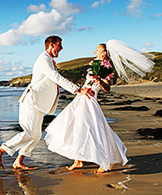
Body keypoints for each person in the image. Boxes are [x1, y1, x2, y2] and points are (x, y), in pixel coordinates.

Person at [44, 39, 154, 173]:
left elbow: (107, 88)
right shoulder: (93, 64)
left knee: (95, 130)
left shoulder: (107, 67)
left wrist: (100, 80)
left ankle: (105, 161)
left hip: (89, 100)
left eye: (97, 50)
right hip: (81, 98)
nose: (94, 51)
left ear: (103, 53)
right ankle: (77, 161)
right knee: (74, 127)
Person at [0, 35, 94, 170]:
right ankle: (0, 150)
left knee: (36, 135)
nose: (61, 48)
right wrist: (77, 90)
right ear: (51, 45)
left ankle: (18, 162)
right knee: (29, 133)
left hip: (39, 103)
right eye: (59, 45)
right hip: (31, 101)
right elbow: (55, 77)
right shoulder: (43, 59)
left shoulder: (49, 61)